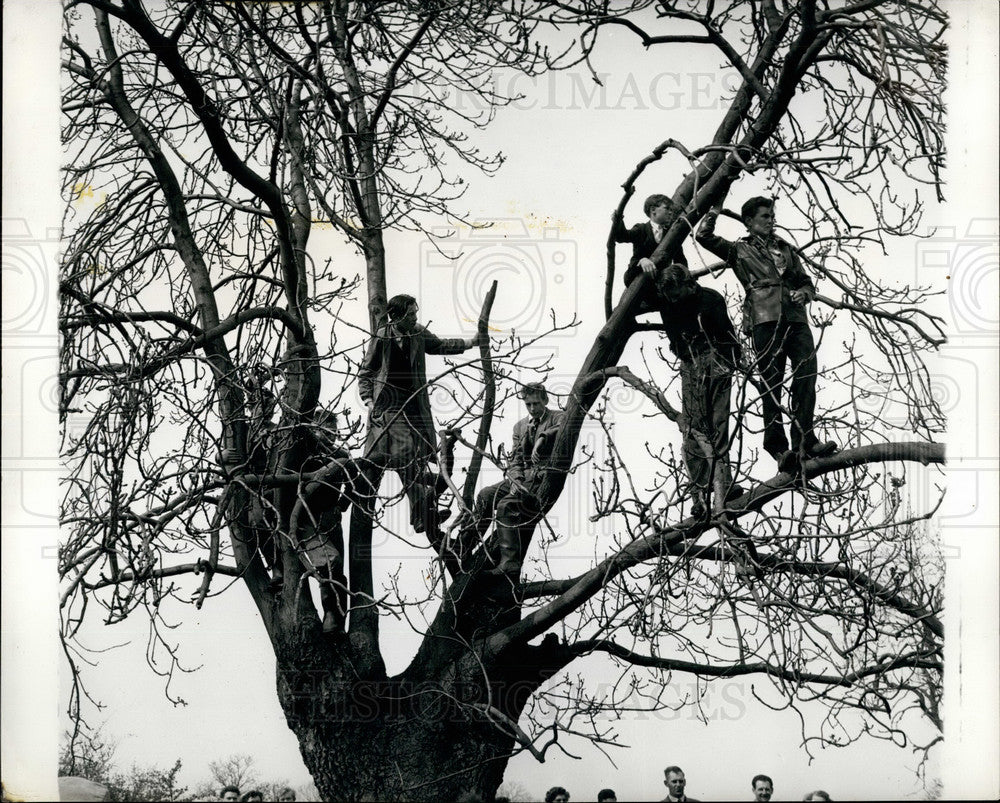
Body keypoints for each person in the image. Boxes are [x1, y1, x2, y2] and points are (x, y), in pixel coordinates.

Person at [697, 197, 837, 473]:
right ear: (749, 222)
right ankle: (778, 448)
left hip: (796, 319)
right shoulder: (739, 250)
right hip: (764, 319)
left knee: (807, 377)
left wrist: (805, 294)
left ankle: (806, 441)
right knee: (771, 383)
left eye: (772, 215)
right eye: (764, 216)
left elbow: (805, 281)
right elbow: (704, 236)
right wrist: (713, 211)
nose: (771, 220)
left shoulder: (785, 248)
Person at [358, 294, 481, 536]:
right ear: (397, 316)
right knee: (405, 449)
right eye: (411, 314)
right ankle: (423, 505)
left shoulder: (417, 332)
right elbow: (366, 370)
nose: (415, 317)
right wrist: (368, 400)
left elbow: (439, 346)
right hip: (389, 404)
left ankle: (422, 514)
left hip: (414, 403)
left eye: (416, 313)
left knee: (417, 455)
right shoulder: (382, 335)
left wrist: (471, 343)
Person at [655, 265, 746, 518]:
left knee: (718, 425)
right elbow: (674, 338)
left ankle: (723, 485)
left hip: (717, 360)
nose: (673, 299)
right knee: (693, 429)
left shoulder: (711, 298)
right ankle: (700, 495)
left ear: (688, 284)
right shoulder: (668, 303)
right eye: (669, 295)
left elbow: (729, 336)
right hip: (690, 364)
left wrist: (729, 364)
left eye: (676, 293)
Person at [472, 382, 565, 577]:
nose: (532, 408)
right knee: (486, 495)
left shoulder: (557, 416)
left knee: (506, 506)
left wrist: (543, 438)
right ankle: (467, 543)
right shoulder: (520, 427)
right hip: (522, 478)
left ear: (545, 400)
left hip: (541, 477)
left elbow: (565, 424)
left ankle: (510, 562)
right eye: (528, 404)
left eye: (536, 404)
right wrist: (516, 481)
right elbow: (515, 460)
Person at [612, 194, 689, 313]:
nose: (670, 213)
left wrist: (682, 276)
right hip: (636, 274)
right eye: (667, 208)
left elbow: (681, 259)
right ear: (653, 210)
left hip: (660, 281)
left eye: (671, 210)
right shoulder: (641, 229)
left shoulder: (671, 234)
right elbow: (622, 236)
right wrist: (618, 221)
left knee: (674, 304)